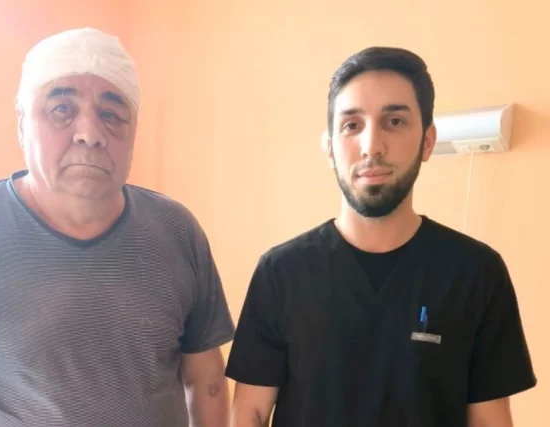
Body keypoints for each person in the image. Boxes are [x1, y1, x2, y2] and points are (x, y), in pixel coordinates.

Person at [0, 27, 235, 427]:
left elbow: (206, 381)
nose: (89, 134)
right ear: (22, 124)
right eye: (61, 108)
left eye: (111, 115)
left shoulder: (177, 231)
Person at [225, 47, 537, 427]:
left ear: (427, 141)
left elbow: (489, 421)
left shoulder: (476, 274)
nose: (372, 146)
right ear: (329, 147)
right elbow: (250, 411)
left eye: (395, 121)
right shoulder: (280, 273)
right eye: (351, 125)